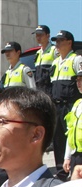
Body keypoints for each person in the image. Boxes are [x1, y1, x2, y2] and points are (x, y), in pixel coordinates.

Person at [50, 30, 82, 178]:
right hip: (56, 106)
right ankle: (61, 173)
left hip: (70, 105)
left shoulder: (76, 60)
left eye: (61, 41)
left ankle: (72, 168)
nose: (57, 44)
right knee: (58, 140)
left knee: (70, 137)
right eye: (56, 41)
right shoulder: (56, 62)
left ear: (69, 42)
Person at [63, 69, 82, 175]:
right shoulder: (77, 104)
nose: (78, 83)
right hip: (76, 156)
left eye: (81, 80)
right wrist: (67, 157)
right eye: (77, 80)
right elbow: (70, 132)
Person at [33, 25, 58, 96]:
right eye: (37, 35)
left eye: (41, 35)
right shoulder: (38, 53)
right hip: (39, 89)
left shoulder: (54, 50)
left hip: (50, 88)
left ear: (48, 35)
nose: (38, 37)